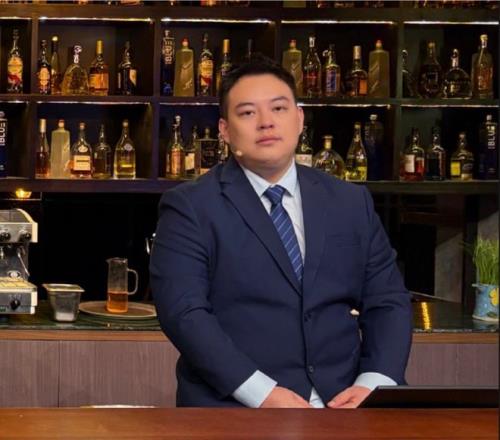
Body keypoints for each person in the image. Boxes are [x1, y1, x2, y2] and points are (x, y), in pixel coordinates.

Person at [150, 56, 412, 409]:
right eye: (247, 112)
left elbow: (388, 301)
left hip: (344, 406)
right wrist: (262, 394)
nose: (266, 122)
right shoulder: (190, 206)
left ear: (300, 118)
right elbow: (184, 313)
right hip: (235, 410)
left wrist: (374, 384)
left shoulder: (350, 201)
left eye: (278, 108)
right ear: (224, 130)